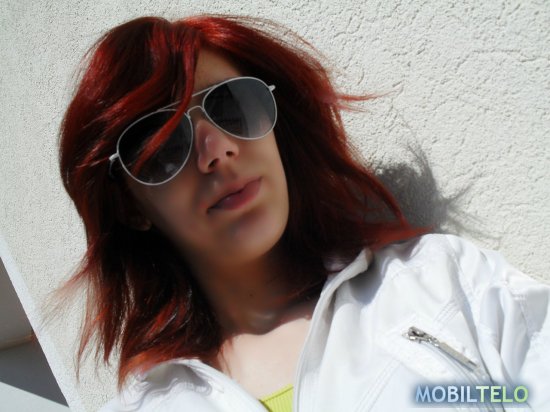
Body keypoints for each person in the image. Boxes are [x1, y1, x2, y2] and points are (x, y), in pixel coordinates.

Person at [49, 13, 550, 412]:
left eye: (231, 105)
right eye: (163, 145)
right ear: (130, 207)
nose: (218, 150)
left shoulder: (442, 283)